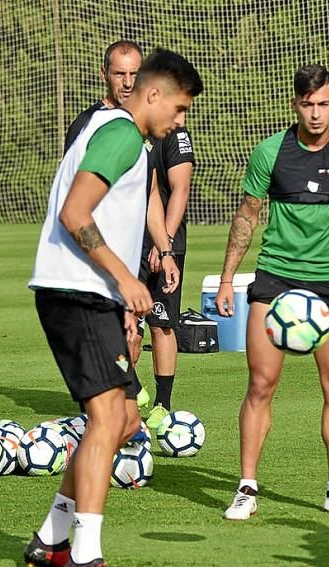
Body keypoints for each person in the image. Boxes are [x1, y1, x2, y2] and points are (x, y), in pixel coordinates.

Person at [24, 48, 202, 567]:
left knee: (125, 418)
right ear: (152, 95)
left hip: (93, 297)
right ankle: (85, 560)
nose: (180, 122)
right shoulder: (122, 133)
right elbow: (75, 213)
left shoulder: (130, 137)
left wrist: (124, 301)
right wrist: (127, 282)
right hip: (74, 293)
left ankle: (52, 538)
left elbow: (118, 217)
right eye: (178, 109)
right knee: (106, 418)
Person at [215, 64, 329, 521]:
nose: (315, 113)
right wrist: (229, 279)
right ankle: (247, 488)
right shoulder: (270, 152)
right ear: (295, 104)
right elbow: (247, 215)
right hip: (276, 281)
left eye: (323, 103)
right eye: (307, 104)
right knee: (261, 385)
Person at [134, 124, 196, 431]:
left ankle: (162, 403)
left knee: (161, 323)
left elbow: (180, 188)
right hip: (128, 242)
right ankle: (128, 390)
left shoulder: (174, 133)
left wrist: (165, 244)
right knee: (124, 322)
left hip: (167, 243)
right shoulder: (125, 126)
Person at [64, 41, 143, 153]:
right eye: (119, 74)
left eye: (134, 74)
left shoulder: (154, 123)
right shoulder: (86, 124)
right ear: (104, 74)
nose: (128, 83)